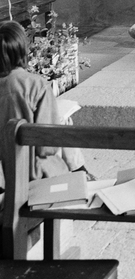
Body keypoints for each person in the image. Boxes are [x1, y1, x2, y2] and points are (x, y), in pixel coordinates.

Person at [0, 20, 85, 191]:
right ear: (22, 50)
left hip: (3, 177)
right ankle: (81, 172)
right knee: (62, 122)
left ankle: (81, 171)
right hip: (33, 176)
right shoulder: (36, 85)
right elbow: (47, 145)